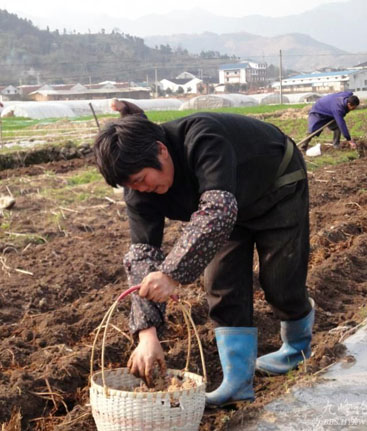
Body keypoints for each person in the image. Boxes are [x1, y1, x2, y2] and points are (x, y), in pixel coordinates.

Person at [93, 113, 315, 407]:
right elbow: (142, 256)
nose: (141, 189)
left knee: (280, 280)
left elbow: (218, 211)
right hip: (227, 209)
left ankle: (296, 350)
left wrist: (171, 274)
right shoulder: (139, 191)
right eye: (132, 185)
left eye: (142, 179)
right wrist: (147, 334)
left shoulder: (202, 138)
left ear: (161, 150)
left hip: (276, 186)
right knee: (222, 284)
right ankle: (237, 382)